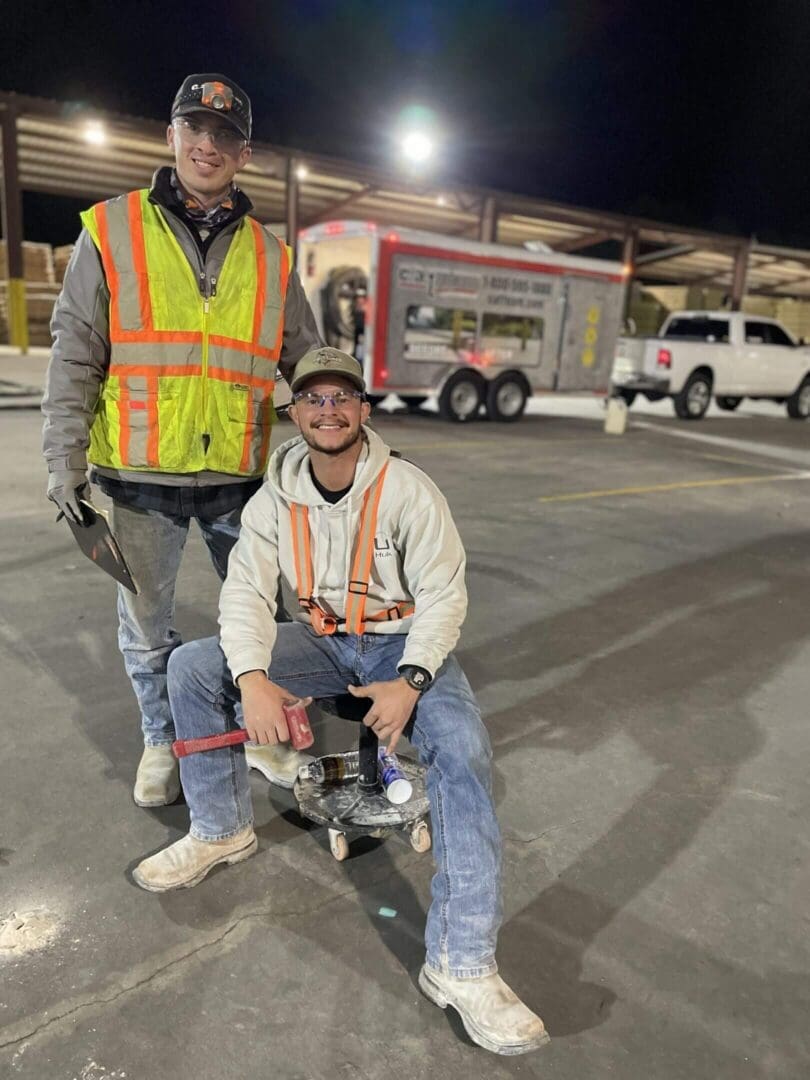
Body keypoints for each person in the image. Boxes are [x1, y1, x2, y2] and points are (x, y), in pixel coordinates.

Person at [132, 346, 550, 1056]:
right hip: (325, 641)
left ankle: (461, 964)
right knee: (194, 667)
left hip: (400, 646)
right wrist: (252, 678)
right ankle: (220, 829)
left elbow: (445, 595)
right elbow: (245, 592)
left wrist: (411, 680)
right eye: (313, 399)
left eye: (341, 398)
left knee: (462, 747)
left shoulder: (408, 490)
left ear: (364, 409)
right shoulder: (274, 499)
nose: (328, 411)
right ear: (294, 413)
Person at [42, 74, 322, 807]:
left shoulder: (272, 256)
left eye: (225, 135)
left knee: (264, 619)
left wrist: (350, 444)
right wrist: (63, 463)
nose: (208, 144)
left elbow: (309, 362)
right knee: (146, 628)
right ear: (170, 136)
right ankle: (162, 739)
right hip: (138, 477)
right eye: (195, 128)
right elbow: (75, 354)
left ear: (245, 153)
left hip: (240, 477)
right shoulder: (112, 230)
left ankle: (262, 733)